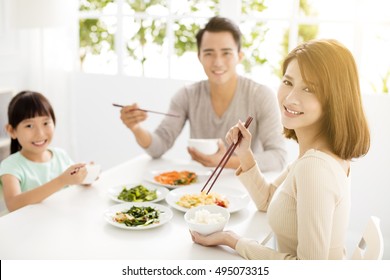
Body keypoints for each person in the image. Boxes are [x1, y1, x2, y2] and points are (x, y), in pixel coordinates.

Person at [190, 39, 371, 260]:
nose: (290, 98)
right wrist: (244, 153)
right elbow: (267, 200)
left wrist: (234, 240)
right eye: (287, 82)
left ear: (334, 100)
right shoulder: (318, 154)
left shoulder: (314, 167)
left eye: (308, 89)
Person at [119, 16, 287, 171]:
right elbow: (158, 146)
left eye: (226, 53)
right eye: (209, 53)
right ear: (199, 57)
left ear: (239, 56)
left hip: (245, 189)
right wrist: (136, 128)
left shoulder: (261, 95)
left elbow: (278, 157)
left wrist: (224, 162)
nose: (217, 62)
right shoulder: (187, 95)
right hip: (197, 194)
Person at [0, 91, 91, 212]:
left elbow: (71, 183)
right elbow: (13, 204)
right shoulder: (11, 166)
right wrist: (62, 181)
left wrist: (84, 177)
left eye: (45, 123)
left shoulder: (60, 155)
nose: (40, 133)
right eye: (29, 126)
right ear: (12, 131)